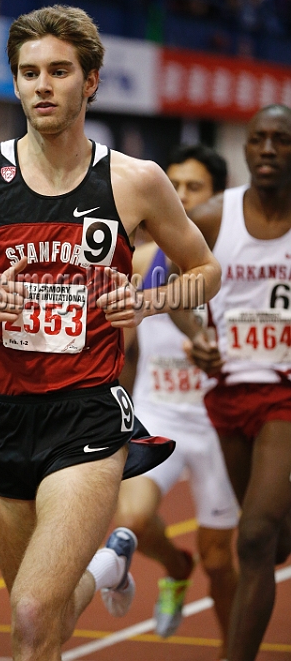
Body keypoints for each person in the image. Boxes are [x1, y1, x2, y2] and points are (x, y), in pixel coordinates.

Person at [0, 4, 221, 661]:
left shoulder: (135, 182)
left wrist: (147, 298)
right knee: (41, 626)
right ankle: (107, 570)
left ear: (92, 81)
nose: (42, 86)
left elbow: (206, 271)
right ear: (15, 83)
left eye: (58, 71)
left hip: (85, 415)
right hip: (0, 416)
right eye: (28, 73)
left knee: (29, 612)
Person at [108, 144, 239, 661]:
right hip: (157, 413)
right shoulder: (143, 260)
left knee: (220, 558)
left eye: (194, 189)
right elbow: (118, 340)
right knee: (130, 521)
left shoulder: (236, 264)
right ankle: (175, 567)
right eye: (175, 187)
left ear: (218, 198)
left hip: (216, 424)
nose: (180, 197)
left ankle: (235, 648)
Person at [178, 104, 291, 661]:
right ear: (244, 150)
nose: (268, 149)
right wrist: (196, 332)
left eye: (281, 140)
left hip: (286, 394)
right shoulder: (216, 216)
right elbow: (162, 278)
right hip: (229, 393)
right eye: (258, 139)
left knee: (251, 537)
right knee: (271, 546)